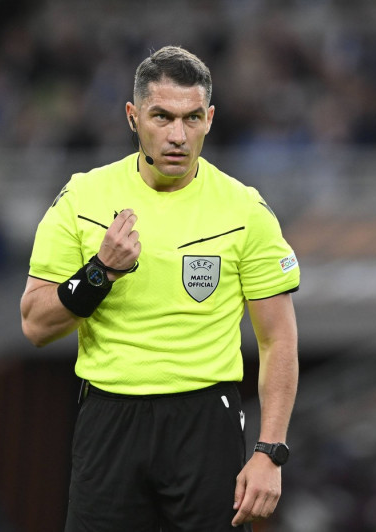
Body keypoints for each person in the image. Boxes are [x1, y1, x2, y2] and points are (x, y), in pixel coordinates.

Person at [20, 45, 300, 531]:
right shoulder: (83, 198)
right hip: (109, 416)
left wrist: (270, 452)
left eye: (192, 118)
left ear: (210, 118)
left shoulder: (244, 209)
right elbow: (35, 325)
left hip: (204, 421)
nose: (177, 135)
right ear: (133, 117)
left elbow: (278, 340)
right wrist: (99, 273)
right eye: (162, 117)